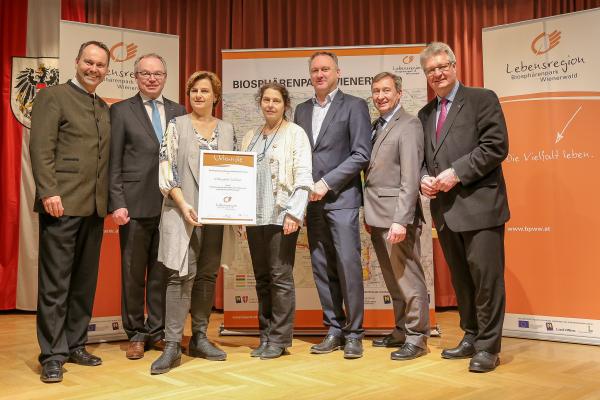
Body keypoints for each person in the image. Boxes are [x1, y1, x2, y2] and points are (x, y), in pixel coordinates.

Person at [418, 42, 510, 372]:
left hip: (481, 207)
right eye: (431, 70)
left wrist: (456, 173)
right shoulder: (425, 114)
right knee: (462, 281)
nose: (438, 74)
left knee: (487, 280)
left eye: (443, 67)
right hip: (446, 211)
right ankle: (471, 335)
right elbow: (426, 160)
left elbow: (496, 146)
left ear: (455, 66)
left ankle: (488, 346)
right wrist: (424, 179)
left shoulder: (482, 99)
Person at [29, 41, 111, 383]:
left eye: (100, 65)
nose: (94, 69)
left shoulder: (103, 106)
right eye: (89, 62)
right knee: (55, 285)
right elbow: (41, 148)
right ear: (77, 62)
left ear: (107, 70)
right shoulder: (53, 96)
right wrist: (49, 191)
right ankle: (52, 353)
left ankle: (76, 343)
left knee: (83, 282)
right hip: (61, 204)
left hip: (93, 207)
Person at [150, 71, 235, 375]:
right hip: (181, 211)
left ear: (216, 96)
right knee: (179, 276)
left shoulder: (227, 130)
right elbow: (166, 171)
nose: (199, 96)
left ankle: (199, 337)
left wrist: (235, 211)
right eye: (194, 91)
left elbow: (233, 173)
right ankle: (173, 344)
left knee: (207, 275)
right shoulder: (176, 126)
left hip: (215, 217)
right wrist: (184, 205)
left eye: (205, 91)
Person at [294, 51, 372, 359]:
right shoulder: (300, 110)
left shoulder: (354, 106)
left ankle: (354, 333)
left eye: (325, 68)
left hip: (342, 199)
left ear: (338, 72)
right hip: (310, 204)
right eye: (315, 70)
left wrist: (326, 183)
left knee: (349, 267)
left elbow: (361, 153)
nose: (320, 74)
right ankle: (334, 329)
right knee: (322, 267)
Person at [109, 53, 186, 360]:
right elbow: (114, 160)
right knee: (132, 273)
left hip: (170, 206)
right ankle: (136, 333)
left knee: (162, 272)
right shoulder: (120, 111)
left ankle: (158, 331)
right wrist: (117, 202)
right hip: (134, 205)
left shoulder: (179, 112)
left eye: (157, 73)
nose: (152, 78)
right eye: (145, 74)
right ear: (135, 77)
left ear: (165, 77)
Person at [241, 83, 313, 359]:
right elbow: (240, 177)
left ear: (285, 105)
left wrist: (295, 213)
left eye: (276, 101)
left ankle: (280, 339)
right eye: (266, 100)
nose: (270, 105)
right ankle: (266, 335)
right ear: (260, 103)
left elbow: (304, 176)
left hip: (282, 216)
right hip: (254, 218)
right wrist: (239, 214)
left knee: (280, 277)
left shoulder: (296, 134)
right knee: (262, 278)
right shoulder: (251, 136)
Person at [364, 72, 430, 361]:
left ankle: (417, 337)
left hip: (396, 218)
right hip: (376, 216)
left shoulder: (410, 124)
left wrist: (401, 220)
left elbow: (410, 176)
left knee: (408, 278)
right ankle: (402, 330)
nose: (381, 96)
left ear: (399, 93)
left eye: (386, 90)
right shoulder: (375, 126)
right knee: (393, 280)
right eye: (376, 91)